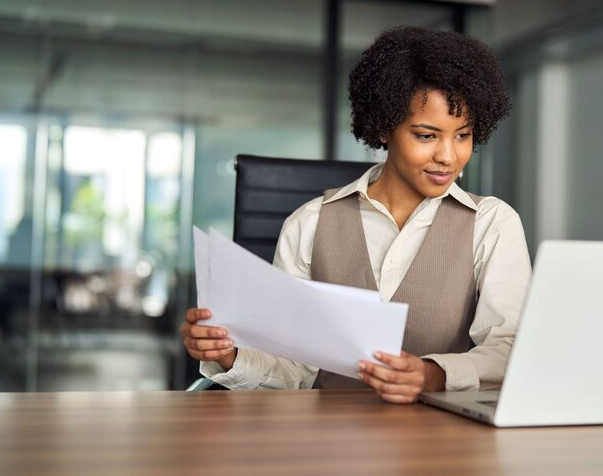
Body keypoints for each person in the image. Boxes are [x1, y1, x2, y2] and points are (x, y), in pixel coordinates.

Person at [180, 26, 531, 404]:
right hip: (327, 441)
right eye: (427, 135)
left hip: (443, 442)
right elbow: (295, 369)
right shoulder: (309, 224)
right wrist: (229, 356)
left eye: (462, 136)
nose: (449, 156)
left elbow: (511, 348)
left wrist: (434, 374)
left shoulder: (492, 224)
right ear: (384, 128)